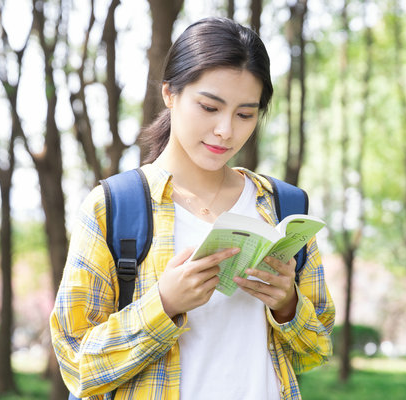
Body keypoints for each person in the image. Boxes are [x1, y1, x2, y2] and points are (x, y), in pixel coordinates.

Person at [50, 17, 335, 400]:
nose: (225, 130)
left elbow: (317, 349)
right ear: (170, 93)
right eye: (209, 107)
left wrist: (287, 306)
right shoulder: (114, 207)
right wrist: (164, 305)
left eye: (245, 114)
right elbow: (76, 364)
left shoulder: (281, 206)